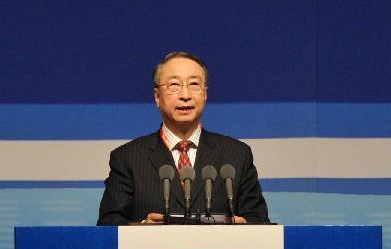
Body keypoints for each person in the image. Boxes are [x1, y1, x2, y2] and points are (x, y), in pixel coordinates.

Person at [97, 51, 269, 225]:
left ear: (205, 94)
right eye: (174, 85)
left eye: (194, 84)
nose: (185, 95)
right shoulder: (128, 157)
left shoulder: (237, 154)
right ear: (157, 96)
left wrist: (244, 227)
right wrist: (142, 228)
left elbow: (260, 221)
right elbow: (108, 224)